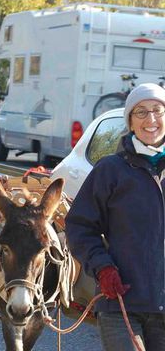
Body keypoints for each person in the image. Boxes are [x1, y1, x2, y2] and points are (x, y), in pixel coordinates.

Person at [65, 83, 165, 351]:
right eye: (141, 112)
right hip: (121, 300)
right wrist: (103, 267)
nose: (151, 119)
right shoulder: (111, 170)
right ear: (130, 122)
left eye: (157, 110)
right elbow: (79, 226)